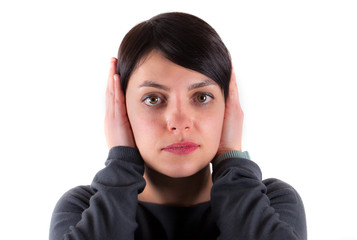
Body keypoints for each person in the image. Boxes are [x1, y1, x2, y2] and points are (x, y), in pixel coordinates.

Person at [49, 12, 307, 240]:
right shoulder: (82, 209)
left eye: (202, 97)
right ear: (121, 110)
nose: (179, 122)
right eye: (153, 99)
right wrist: (121, 162)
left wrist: (231, 158)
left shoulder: (272, 202)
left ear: (229, 106)